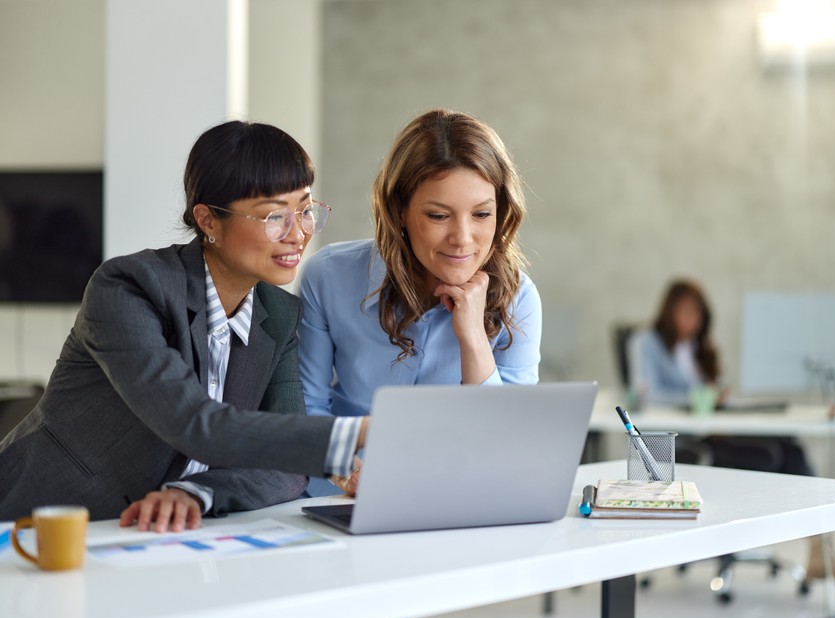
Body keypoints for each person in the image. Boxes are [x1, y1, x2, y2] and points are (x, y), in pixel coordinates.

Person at [0, 121, 367, 534]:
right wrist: (353, 435)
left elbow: (285, 471)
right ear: (208, 221)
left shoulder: (279, 315)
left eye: (304, 210)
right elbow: (195, 423)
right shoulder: (129, 288)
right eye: (274, 216)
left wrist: (196, 492)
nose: (298, 233)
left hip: (149, 539)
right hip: (35, 521)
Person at [298, 109, 541, 494]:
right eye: (438, 215)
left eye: (481, 214)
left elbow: (510, 444)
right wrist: (344, 469)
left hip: (457, 502)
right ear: (400, 212)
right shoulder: (329, 276)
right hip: (338, 501)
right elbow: (305, 405)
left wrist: (474, 339)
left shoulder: (519, 297)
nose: (463, 238)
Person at [628, 279, 835, 579]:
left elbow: (714, 389)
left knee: (789, 444)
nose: (693, 321)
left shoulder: (698, 347)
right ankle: (820, 547)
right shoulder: (645, 342)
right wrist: (700, 399)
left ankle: (822, 547)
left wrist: (719, 396)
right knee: (773, 453)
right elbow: (649, 395)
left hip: (718, 428)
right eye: (686, 312)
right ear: (669, 311)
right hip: (685, 438)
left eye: (699, 314)